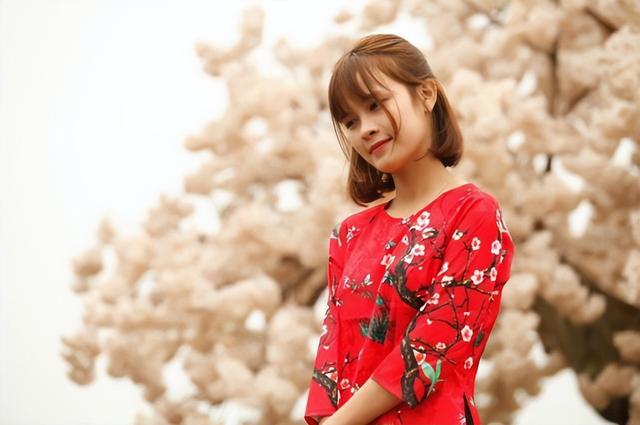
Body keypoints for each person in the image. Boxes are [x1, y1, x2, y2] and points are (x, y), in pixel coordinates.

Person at [303, 33, 516, 425]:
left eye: (375, 104)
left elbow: (430, 350)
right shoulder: (348, 236)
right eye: (350, 122)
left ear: (427, 94)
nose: (364, 129)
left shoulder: (473, 214)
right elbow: (331, 366)